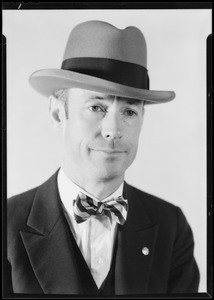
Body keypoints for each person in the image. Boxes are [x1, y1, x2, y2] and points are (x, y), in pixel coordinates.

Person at [6, 20, 199, 295]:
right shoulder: (7, 224)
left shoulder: (171, 225)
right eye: (96, 107)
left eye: (129, 112)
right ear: (58, 113)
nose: (113, 131)